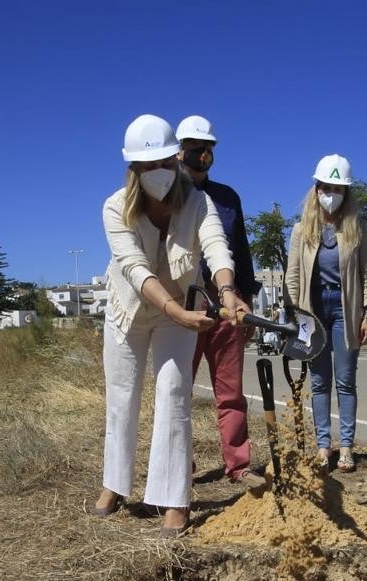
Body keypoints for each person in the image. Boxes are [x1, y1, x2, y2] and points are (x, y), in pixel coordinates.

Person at [92, 114, 251, 534]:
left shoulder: (197, 201)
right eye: (148, 167)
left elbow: (216, 244)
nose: (159, 174)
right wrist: (176, 312)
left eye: (164, 163)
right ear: (134, 170)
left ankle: (172, 499)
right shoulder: (114, 207)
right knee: (122, 398)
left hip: (179, 308)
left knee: (174, 394)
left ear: (174, 159)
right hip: (130, 312)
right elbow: (134, 268)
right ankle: (115, 484)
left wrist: (228, 290)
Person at [175, 115, 266, 490]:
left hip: (227, 304)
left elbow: (240, 252)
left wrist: (246, 298)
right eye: (196, 148)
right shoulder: (168, 197)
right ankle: (178, 464)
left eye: (208, 148)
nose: (203, 154)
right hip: (182, 306)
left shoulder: (227, 198)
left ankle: (238, 465)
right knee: (176, 390)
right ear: (179, 150)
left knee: (229, 392)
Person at [285, 154, 367, 472]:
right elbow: (293, 275)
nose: (331, 194)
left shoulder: (358, 228)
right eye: (326, 187)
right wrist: (295, 316)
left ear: (346, 193)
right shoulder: (301, 231)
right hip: (312, 312)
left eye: (338, 189)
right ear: (316, 189)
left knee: (346, 380)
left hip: (345, 309)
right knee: (320, 381)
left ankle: (347, 447)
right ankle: (324, 447)